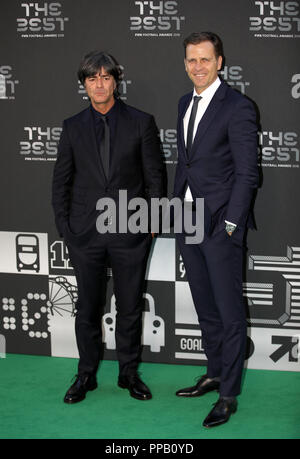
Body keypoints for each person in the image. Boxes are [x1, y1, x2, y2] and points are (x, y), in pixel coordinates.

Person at [52, 51, 165, 404]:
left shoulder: (140, 122)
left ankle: (128, 373)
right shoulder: (72, 127)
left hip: (130, 232)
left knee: (130, 305)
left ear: (116, 80)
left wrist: (151, 224)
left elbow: (155, 178)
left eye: (105, 77)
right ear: (84, 84)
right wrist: (66, 229)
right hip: (84, 234)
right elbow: (62, 183)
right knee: (87, 307)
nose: (99, 84)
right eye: (91, 78)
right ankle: (86, 373)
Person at [173, 32, 259, 427]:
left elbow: (247, 173)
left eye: (205, 59)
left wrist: (230, 223)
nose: (198, 67)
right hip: (187, 220)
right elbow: (185, 165)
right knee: (205, 306)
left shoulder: (238, 107)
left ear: (219, 62)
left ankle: (229, 394)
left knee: (229, 313)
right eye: (192, 60)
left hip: (220, 224)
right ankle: (214, 372)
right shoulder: (184, 103)